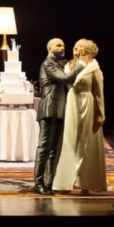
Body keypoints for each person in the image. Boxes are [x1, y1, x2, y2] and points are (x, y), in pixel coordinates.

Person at [52, 39, 106, 195]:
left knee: (85, 142)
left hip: (87, 104)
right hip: (72, 104)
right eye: (75, 45)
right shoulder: (69, 65)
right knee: (69, 140)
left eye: (80, 46)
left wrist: (100, 113)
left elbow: (99, 93)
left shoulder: (94, 68)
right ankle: (65, 182)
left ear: (88, 49)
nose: (76, 47)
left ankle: (85, 183)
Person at [33, 38, 83, 195]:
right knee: (44, 147)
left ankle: (49, 182)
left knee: (53, 148)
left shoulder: (59, 64)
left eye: (63, 46)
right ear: (50, 49)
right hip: (49, 109)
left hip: (59, 109)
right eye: (58, 45)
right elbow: (65, 78)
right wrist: (81, 64)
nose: (62, 48)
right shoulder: (48, 63)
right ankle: (38, 183)